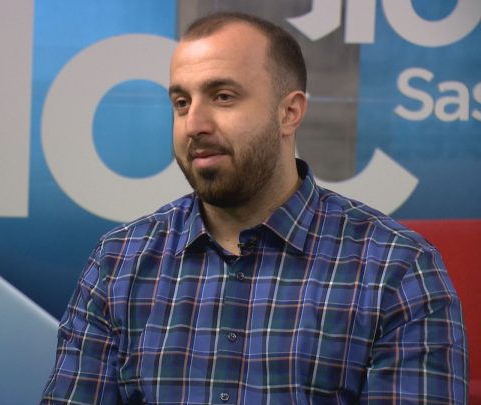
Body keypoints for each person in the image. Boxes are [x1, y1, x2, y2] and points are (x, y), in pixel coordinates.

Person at [40, 12, 467, 404]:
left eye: (223, 96)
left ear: (289, 112)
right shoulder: (118, 262)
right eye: (181, 103)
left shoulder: (397, 269)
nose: (194, 125)